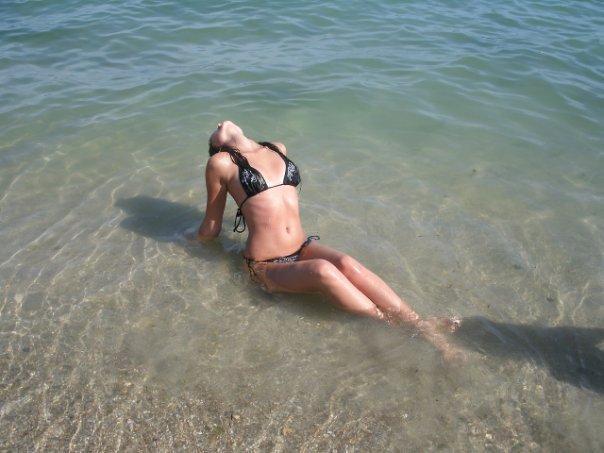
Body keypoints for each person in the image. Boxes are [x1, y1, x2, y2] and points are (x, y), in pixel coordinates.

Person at [198, 120, 462, 360]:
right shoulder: (220, 163)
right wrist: (188, 240)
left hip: (302, 247)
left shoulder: (277, 148)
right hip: (266, 265)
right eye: (214, 133)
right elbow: (211, 228)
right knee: (323, 270)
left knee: (348, 264)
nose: (219, 123)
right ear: (217, 147)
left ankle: (417, 322)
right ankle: (390, 324)